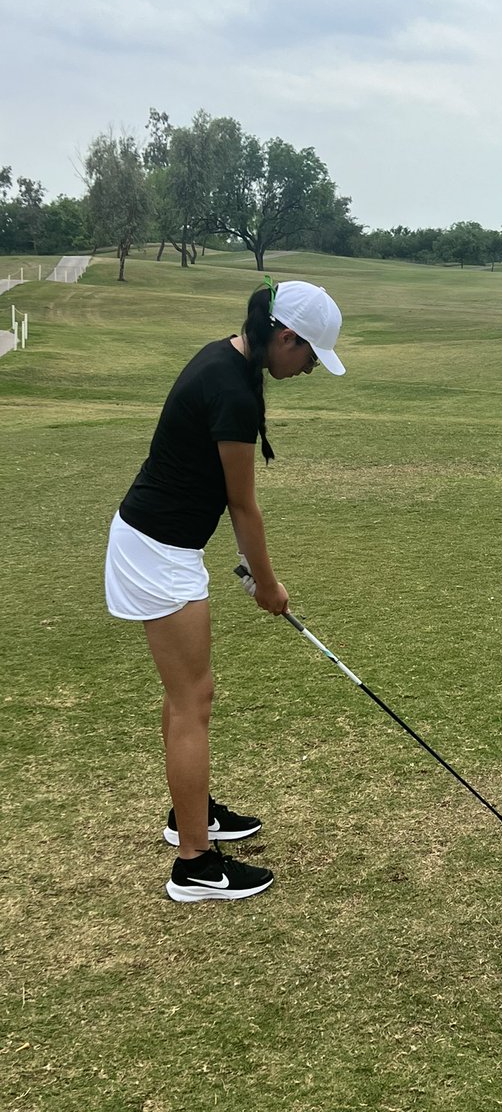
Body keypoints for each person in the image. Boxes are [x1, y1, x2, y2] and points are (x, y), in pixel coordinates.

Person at [104, 278, 345, 902]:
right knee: (194, 699)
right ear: (285, 338)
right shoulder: (234, 392)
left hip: (163, 543)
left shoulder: (228, 359)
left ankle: (191, 813)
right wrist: (268, 584)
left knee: (188, 695)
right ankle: (194, 865)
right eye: (311, 356)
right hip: (157, 552)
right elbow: (243, 506)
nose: (310, 369)